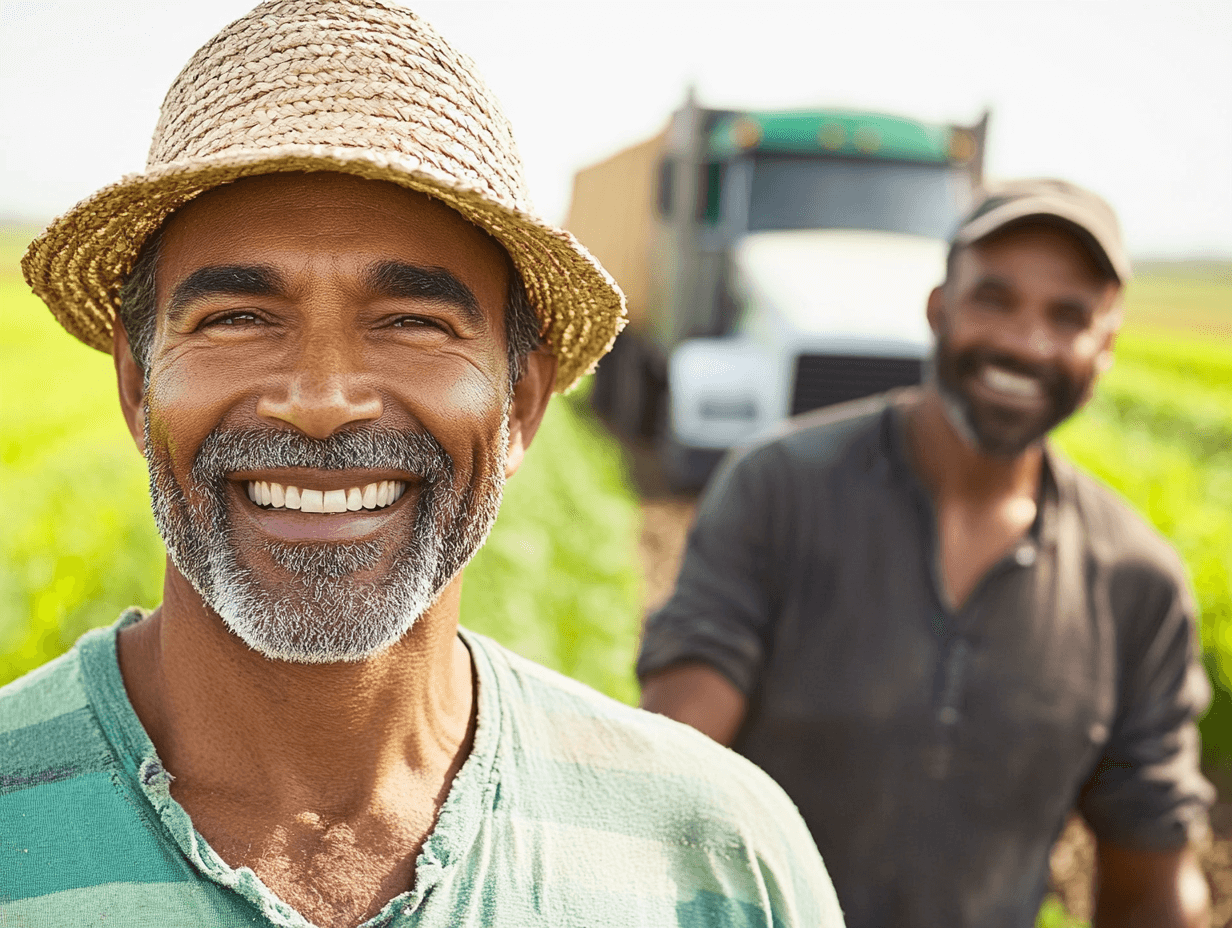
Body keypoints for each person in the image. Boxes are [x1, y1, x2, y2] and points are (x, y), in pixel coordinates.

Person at [0, 3, 844, 926]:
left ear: (520, 402)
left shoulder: (716, 860)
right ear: (136, 383)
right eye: (238, 316)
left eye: (414, 321)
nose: (321, 401)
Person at [638, 179, 1214, 928]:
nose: (1024, 342)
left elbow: (1152, 875)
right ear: (940, 308)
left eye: (1067, 316)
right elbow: (672, 775)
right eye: (995, 299)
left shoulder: (1136, 582)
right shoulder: (779, 491)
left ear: (1105, 347)